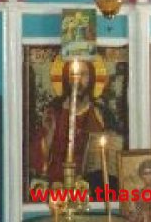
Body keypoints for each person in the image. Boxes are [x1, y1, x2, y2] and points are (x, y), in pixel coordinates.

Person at [29, 59, 109, 189]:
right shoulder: (54, 111)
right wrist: (49, 134)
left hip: (88, 184)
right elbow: (37, 157)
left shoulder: (99, 113)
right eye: (72, 74)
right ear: (66, 78)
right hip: (56, 184)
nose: (77, 80)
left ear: (92, 79)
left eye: (83, 74)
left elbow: (105, 154)